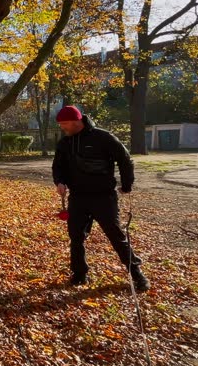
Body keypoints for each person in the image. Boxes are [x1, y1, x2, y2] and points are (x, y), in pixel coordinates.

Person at [51, 105, 150, 292]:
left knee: (116, 236)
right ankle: (79, 274)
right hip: (78, 198)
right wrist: (60, 182)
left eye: (64, 124)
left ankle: (137, 274)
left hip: (104, 197)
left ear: (76, 121)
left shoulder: (103, 138)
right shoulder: (64, 143)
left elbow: (125, 159)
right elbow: (58, 167)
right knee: (76, 237)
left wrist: (127, 185)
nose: (62, 128)